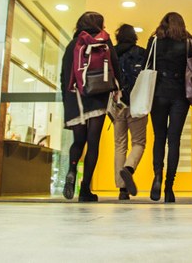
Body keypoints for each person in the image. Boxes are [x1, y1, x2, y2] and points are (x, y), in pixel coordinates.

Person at [60, 11, 120, 202]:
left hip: (75, 97)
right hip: (98, 96)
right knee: (93, 143)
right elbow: (115, 67)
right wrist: (119, 90)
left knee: (78, 141)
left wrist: (67, 101)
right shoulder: (105, 42)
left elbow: (64, 75)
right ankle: (85, 189)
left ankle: (72, 169)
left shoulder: (73, 44)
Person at [146, 12, 192, 203]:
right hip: (180, 95)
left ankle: (157, 175)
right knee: (174, 140)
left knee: (159, 137)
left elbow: (147, 65)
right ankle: (169, 187)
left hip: (158, 94)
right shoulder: (188, 42)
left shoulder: (155, 41)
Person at [112, 23, 148, 200]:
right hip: (137, 103)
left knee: (120, 144)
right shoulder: (141, 53)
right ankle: (128, 168)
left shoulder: (112, 53)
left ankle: (122, 189)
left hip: (117, 103)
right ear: (134, 37)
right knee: (138, 142)